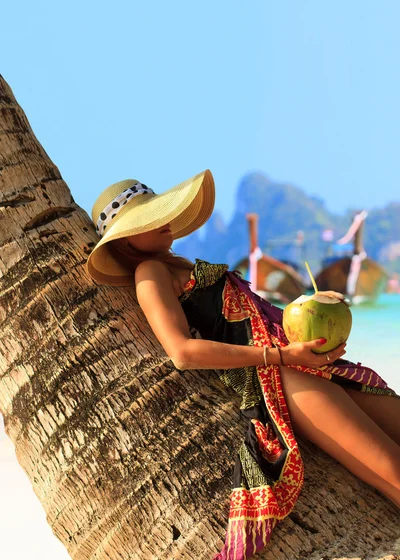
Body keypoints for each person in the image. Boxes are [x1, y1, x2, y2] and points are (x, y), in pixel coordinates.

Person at [86, 169, 400, 560]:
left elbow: (249, 317)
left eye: (160, 211)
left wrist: (313, 316)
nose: (163, 220)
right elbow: (182, 352)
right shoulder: (149, 272)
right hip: (278, 376)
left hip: (301, 362)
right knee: (393, 473)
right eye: (147, 219)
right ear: (125, 241)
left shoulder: (176, 262)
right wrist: (283, 356)